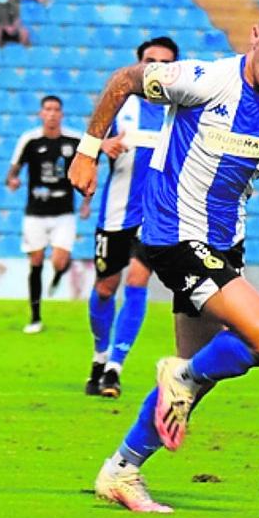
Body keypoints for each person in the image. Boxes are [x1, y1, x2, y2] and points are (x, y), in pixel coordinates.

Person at [69, 0, 259, 513]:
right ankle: (179, 378)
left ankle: (121, 470)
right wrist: (86, 149)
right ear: (255, 37)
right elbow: (126, 79)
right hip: (174, 234)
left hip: (224, 243)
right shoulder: (207, 80)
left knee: (194, 379)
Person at [83, 37, 177, 398]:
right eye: (149, 60)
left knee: (137, 282)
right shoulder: (119, 104)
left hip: (156, 215)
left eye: (163, 62)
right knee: (105, 289)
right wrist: (101, 146)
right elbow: (90, 144)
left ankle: (114, 369)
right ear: (138, 64)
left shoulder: (180, 109)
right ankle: (99, 354)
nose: (155, 67)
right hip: (116, 211)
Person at [5, 95, 85, 334]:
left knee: (59, 261)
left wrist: (86, 202)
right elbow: (13, 169)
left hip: (64, 213)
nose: (51, 114)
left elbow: (87, 171)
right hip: (36, 213)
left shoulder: (74, 140)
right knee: (36, 261)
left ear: (61, 114)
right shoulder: (29, 140)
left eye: (56, 110)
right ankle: (35, 317)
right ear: (41, 114)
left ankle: (61, 271)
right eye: (47, 109)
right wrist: (12, 180)